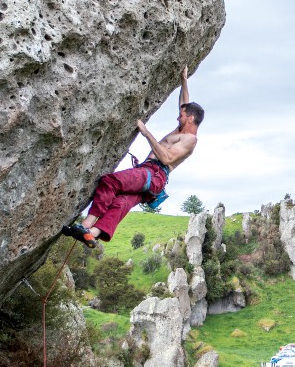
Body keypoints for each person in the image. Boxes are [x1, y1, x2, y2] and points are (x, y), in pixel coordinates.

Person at [61, 66, 202, 247]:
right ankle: (93, 234)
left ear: (190, 119)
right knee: (121, 202)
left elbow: (167, 159)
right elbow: (184, 104)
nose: (177, 118)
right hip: (152, 178)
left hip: (154, 174)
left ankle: (86, 224)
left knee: (111, 182)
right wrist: (184, 80)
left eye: (181, 116)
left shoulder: (190, 140)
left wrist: (146, 133)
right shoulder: (182, 129)